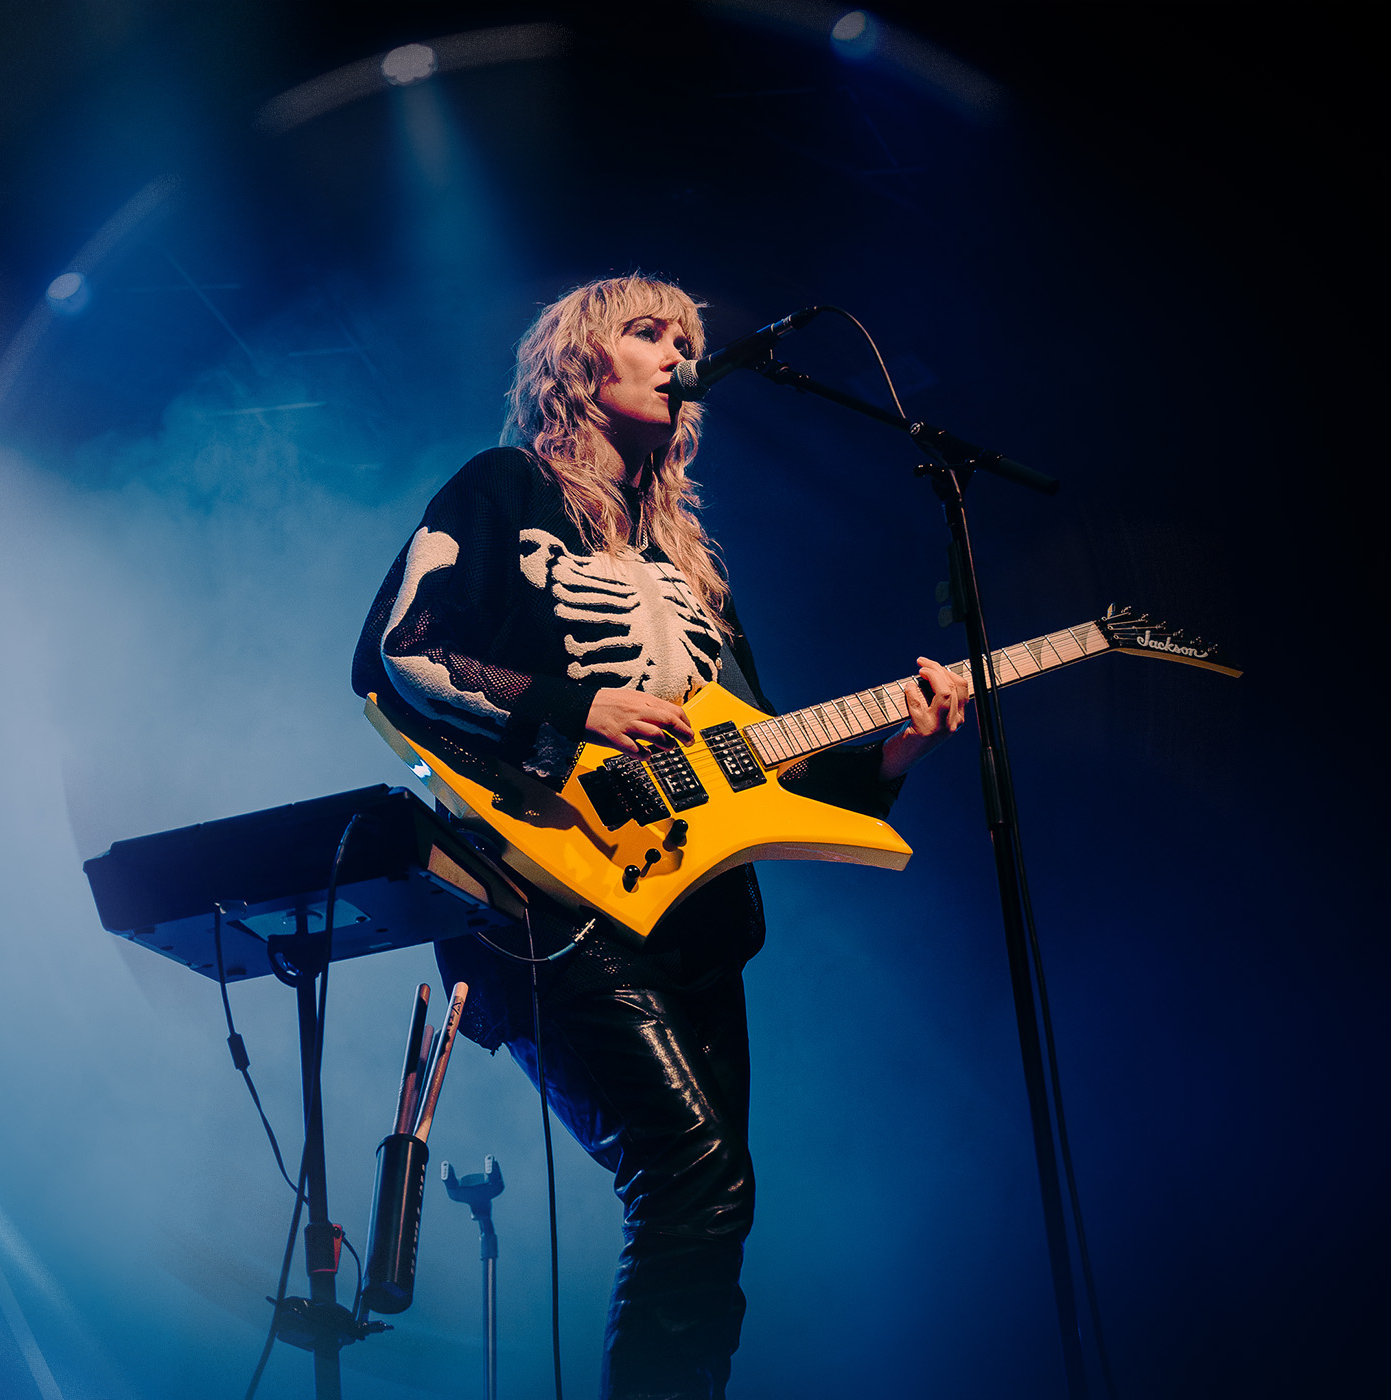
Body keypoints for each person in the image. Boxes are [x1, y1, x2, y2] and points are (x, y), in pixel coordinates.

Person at [352, 275, 965, 1399]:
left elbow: (764, 756)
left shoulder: (694, 567)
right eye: (647, 332)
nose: (680, 351)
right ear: (577, 365)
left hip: (693, 918)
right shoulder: (504, 488)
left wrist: (894, 753)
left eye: (688, 336)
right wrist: (573, 705)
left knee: (715, 1205)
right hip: (551, 893)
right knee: (695, 1177)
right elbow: (403, 648)